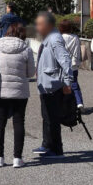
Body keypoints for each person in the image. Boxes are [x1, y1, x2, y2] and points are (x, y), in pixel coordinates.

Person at [0, 23, 35, 168]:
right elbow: (30, 73)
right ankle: (17, 158)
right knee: (18, 122)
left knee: (0, 122)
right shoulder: (26, 48)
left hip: (0, 89)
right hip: (19, 90)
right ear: (22, 34)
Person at [32, 11, 73, 158]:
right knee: (47, 116)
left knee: (52, 118)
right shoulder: (48, 38)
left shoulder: (55, 39)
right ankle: (47, 145)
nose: (37, 27)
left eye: (40, 24)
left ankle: (55, 149)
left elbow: (66, 61)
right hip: (46, 83)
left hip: (53, 84)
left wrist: (68, 82)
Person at [58, 20, 84, 109]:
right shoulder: (75, 37)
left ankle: (64, 105)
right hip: (74, 64)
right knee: (74, 84)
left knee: (63, 86)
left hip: (63, 65)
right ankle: (79, 102)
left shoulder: (59, 38)